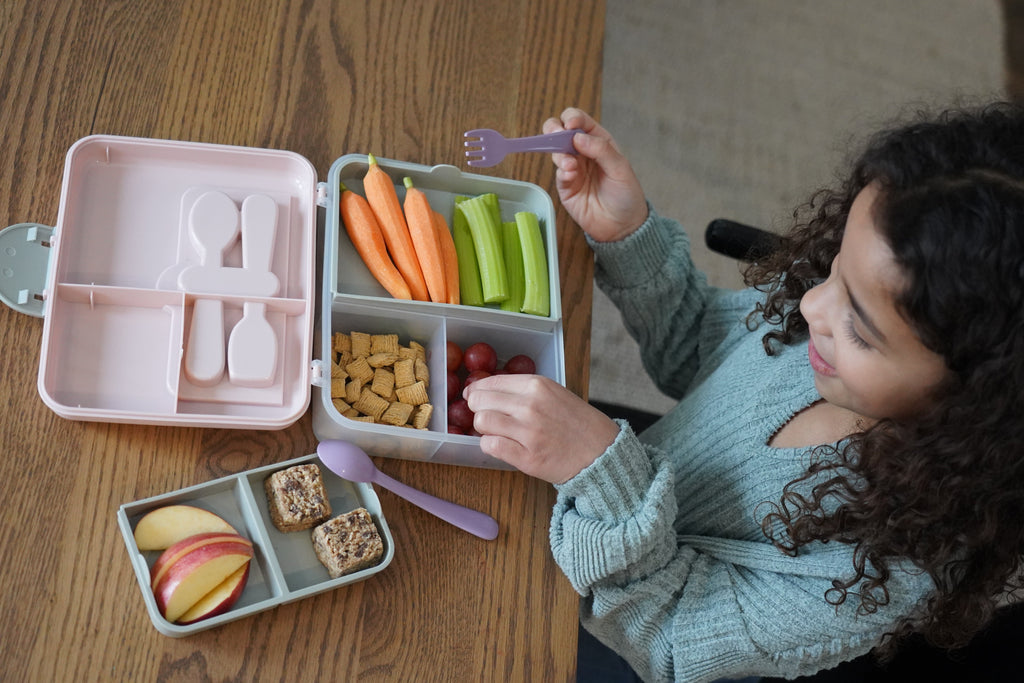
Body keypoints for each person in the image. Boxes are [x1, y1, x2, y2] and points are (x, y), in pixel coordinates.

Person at [461, 103, 1024, 682]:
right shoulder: (817, 327)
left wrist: (606, 478)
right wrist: (629, 234)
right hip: (587, 493)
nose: (810, 305)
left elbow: (671, 643)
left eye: (859, 326)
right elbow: (698, 348)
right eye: (834, 268)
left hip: (601, 625)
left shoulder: (879, 569)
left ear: (975, 405)